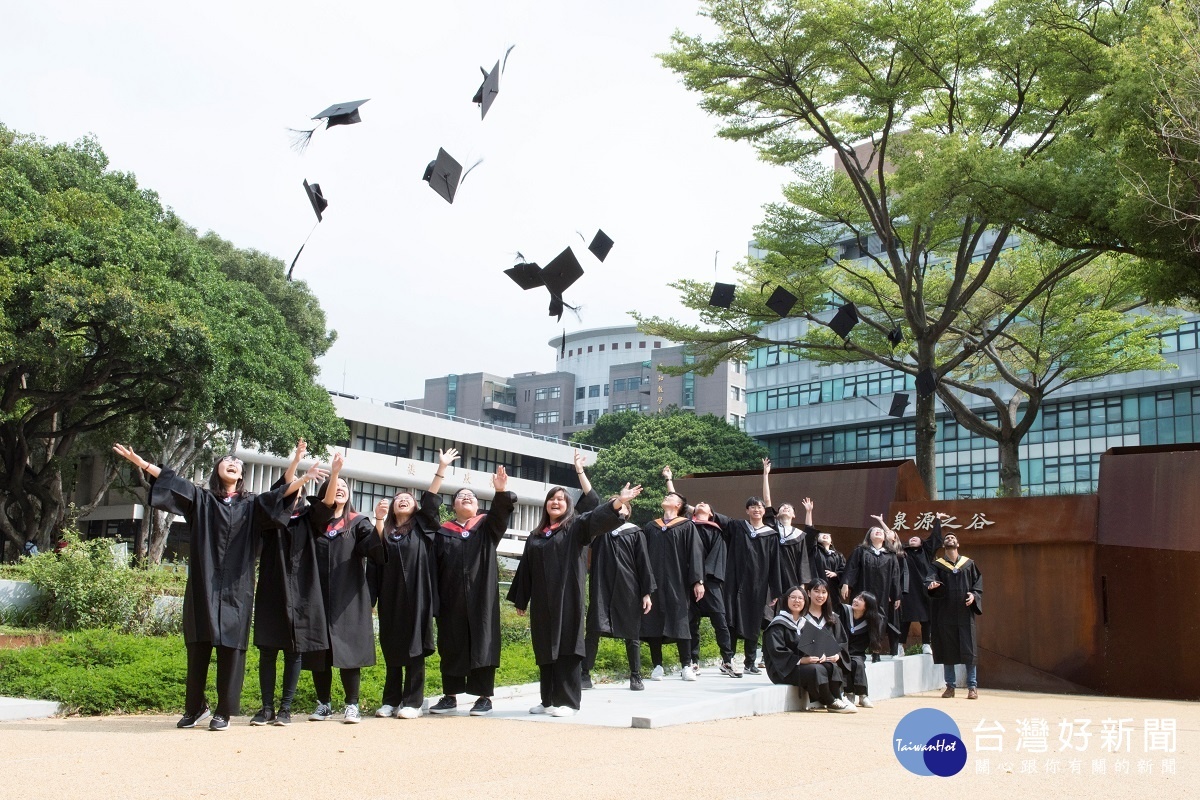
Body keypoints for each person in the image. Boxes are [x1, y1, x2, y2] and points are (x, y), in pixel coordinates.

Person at [111, 442, 318, 731]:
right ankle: (196, 707)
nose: (233, 463)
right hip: (204, 583)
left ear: (242, 473)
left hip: (236, 587)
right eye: (227, 461)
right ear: (217, 470)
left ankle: (224, 711)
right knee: (198, 646)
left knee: (231, 648)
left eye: (237, 462)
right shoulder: (202, 499)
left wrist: (300, 478)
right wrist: (143, 463)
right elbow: (175, 482)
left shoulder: (251, 504)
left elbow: (277, 497)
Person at [509, 482, 642, 717]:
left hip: (567, 597)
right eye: (552, 498)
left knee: (567, 647)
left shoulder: (575, 528)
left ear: (568, 505)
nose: (556, 502)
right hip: (542, 601)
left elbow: (595, 517)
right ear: (546, 504)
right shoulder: (536, 535)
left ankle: (568, 702)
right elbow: (526, 569)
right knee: (544, 647)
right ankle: (548, 700)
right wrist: (522, 599)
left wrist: (619, 501)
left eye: (561, 499)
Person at [369, 449, 457, 719]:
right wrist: (379, 520)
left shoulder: (422, 526)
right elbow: (376, 557)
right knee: (393, 647)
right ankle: (390, 700)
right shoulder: (386, 530)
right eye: (399, 499)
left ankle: (413, 702)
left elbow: (431, 501)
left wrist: (440, 469)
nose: (403, 501)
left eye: (408, 499)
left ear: (415, 507)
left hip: (418, 597)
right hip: (391, 598)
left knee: (415, 649)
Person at [304, 452, 388, 724]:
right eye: (334, 486)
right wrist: (335, 473)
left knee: (348, 652)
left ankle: (352, 704)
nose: (339, 490)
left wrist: (378, 521)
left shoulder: (357, 522)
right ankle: (324, 703)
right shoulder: (314, 521)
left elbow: (373, 550)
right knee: (319, 651)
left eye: (343, 488)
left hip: (348, 597)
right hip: (316, 595)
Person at [251, 439, 329, 727]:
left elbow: (328, 506)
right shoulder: (271, 517)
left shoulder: (309, 517)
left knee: (295, 649)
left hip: (303, 590)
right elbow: (277, 494)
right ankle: (266, 707)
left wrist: (325, 476)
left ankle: (286, 708)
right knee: (268, 649)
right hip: (272, 585)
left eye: (297, 492)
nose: (291, 497)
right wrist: (296, 464)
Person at [429, 465, 515, 717]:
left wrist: (500, 491)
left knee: (483, 643)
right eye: (460, 496)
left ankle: (484, 697)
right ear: (453, 506)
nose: (466, 498)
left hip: (482, 599)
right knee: (451, 644)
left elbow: (501, 513)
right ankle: (450, 696)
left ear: (478, 505)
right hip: (451, 598)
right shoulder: (443, 532)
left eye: (471, 496)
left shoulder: (487, 527)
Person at [716, 458, 782, 675]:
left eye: (760, 507)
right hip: (735, 582)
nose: (757, 509)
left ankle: (750, 662)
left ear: (764, 511)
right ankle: (729, 660)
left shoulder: (771, 535)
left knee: (754, 622)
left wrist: (775, 591)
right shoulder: (737, 527)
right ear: (747, 511)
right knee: (732, 620)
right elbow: (717, 519)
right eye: (753, 507)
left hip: (758, 584)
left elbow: (775, 564)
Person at [582, 499, 655, 691]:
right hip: (601, 587)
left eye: (621, 506)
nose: (617, 508)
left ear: (628, 513)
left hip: (629, 587)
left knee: (632, 633)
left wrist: (646, 593)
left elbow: (643, 564)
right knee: (594, 629)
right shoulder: (599, 532)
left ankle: (635, 675)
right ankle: (584, 674)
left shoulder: (635, 532)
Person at [640, 485, 705, 681]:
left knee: (680, 621)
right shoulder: (651, 526)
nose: (667, 497)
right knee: (653, 620)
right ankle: (657, 665)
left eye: (671, 496)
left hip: (678, 582)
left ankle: (686, 665)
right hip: (654, 582)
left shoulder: (686, 525)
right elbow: (642, 555)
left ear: (678, 505)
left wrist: (698, 580)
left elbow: (695, 554)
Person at [762, 585, 855, 713]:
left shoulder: (803, 623)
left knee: (830, 665)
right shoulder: (777, 625)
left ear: (805, 602)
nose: (797, 601)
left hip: (800, 666)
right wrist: (802, 660)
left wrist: (821, 654)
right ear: (786, 600)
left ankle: (838, 697)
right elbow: (777, 652)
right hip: (782, 670)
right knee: (816, 669)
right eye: (793, 597)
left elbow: (816, 645)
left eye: (801, 598)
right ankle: (830, 701)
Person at [683, 499, 741, 679]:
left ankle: (727, 660)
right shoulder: (686, 527)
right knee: (692, 622)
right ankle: (693, 661)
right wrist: (695, 579)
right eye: (698, 503)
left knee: (720, 621)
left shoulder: (716, 530)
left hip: (710, 581)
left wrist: (701, 579)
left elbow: (714, 557)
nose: (700, 503)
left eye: (706, 504)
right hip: (688, 581)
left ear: (711, 513)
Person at [926, 531, 983, 699]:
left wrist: (974, 595)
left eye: (953, 538)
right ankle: (950, 687)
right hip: (945, 612)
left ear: (957, 544)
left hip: (964, 613)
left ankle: (972, 687)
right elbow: (929, 580)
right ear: (944, 545)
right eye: (947, 538)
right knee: (947, 649)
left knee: (969, 650)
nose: (950, 539)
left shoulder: (969, 564)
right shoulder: (937, 565)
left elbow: (977, 585)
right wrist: (931, 585)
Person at [841, 514, 902, 662]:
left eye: (880, 531)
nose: (878, 531)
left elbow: (895, 577)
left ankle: (876, 650)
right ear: (869, 536)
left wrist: (896, 595)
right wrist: (846, 584)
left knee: (879, 619)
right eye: (874, 530)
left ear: (884, 538)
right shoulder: (860, 551)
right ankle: (853, 648)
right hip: (862, 590)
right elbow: (852, 568)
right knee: (857, 617)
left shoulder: (890, 555)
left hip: (881, 594)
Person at [900, 514, 947, 656]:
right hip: (908, 588)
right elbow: (892, 539)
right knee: (905, 617)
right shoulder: (903, 552)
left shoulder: (926, 552)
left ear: (922, 543)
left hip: (925, 588)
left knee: (926, 618)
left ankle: (926, 644)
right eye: (911, 538)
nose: (913, 538)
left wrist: (937, 520)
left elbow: (935, 538)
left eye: (916, 538)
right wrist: (882, 523)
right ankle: (899, 645)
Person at [844, 591, 887, 708]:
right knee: (845, 662)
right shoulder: (844, 612)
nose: (856, 600)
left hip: (857, 653)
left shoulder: (871, 622)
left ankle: (862, 695)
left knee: (857, 664)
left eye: (861, 600)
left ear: (867, 606)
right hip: (842, 651)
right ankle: (848, 693)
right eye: (857, 597)